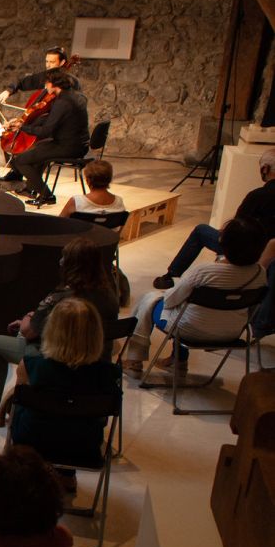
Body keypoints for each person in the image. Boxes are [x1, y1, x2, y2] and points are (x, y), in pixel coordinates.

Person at [0, 235, 121, 420]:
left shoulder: (62, 298)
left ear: (71, 265)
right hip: (97, 365)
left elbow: (28, 331)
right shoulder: (110, 297)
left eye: (64, 258)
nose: (61, 261)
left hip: (58, 362)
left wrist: (28, 318)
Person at [125, 216, 266, 376]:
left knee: (149, 299)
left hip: (190, 330)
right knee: (186, 309)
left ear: (223, 242)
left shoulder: (204, 272)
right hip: (231, 332)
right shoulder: (260, 274)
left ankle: (134, 361)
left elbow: (170, 301)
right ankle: (177, 361)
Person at [10, 298, 121, 493]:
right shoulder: (108, 374)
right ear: (96, 334)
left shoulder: (31, 365)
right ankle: (67, 477)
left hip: (31, 442)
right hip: (84, 448)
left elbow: (19, 407)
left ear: (51, 331)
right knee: (73, 419)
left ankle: (33, 476)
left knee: (36, 413)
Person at [154, 147, 275, 289]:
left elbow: (237, 228)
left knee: (201, 231)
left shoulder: (258, 196)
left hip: (246, 251)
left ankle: (171, 275)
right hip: (266, 250)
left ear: (265, 169)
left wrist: (224, 233)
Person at [5, 69, 89, 207]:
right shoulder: (74, 95)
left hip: (69, 147)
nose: (45, 87)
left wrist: (21, 128)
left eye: (46, 83)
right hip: (79, 143)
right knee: (37, 149)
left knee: (21, 160)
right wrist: (23, 123)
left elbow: (46, 131)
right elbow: (52, 121)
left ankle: (47, 195)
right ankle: (32, 187)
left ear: (54, 83)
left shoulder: (62, 103)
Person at [59, 159, 125, 218]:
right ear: (110, 179)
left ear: (88, 181)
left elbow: (59, 223)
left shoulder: (76, 201)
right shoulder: (119, 201)